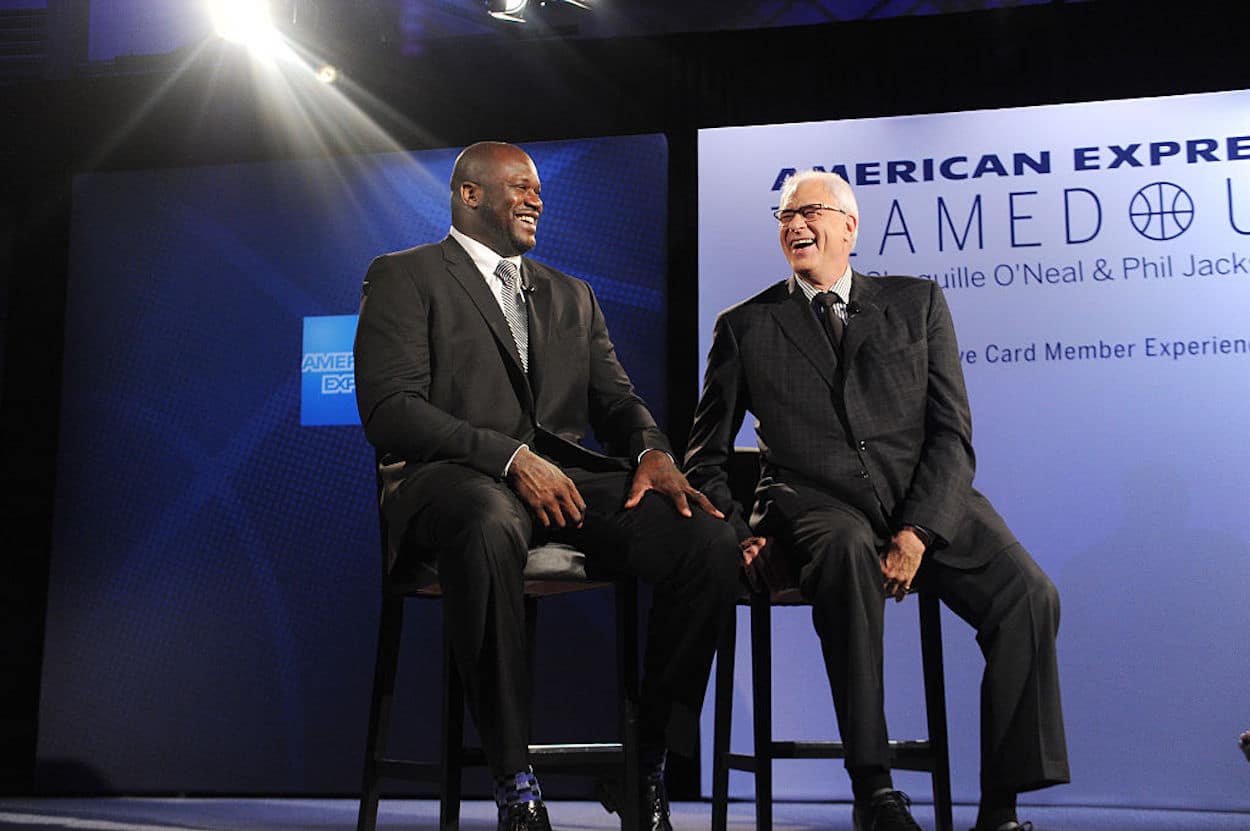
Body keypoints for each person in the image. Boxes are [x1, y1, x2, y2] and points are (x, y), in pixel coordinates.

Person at [353, 141, 741, 831]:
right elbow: (391, 411)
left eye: (539, 188)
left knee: (704, 538)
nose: (537, 198)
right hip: (451, 481)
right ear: (469, 196)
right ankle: (514, 778)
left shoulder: (571, 295)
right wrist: (506, 458)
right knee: (489, 519)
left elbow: (616, 402)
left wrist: (651, 449)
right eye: (520, 186)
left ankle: (648, 760)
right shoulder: (404, 276)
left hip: (561, 483)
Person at [684, 170, 1070, 831]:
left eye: (809, 212)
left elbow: (952, 432)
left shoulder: (916, 302)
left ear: (849, 227)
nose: (794, 225)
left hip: (921, 499)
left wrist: (919, 529)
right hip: (814, 501)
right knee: (845, 550)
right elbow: (705, 456)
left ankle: (999, 808)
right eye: (783, 215)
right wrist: (735, 530)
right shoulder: (745, 325)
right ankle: (874, 790)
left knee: (1029, 595)